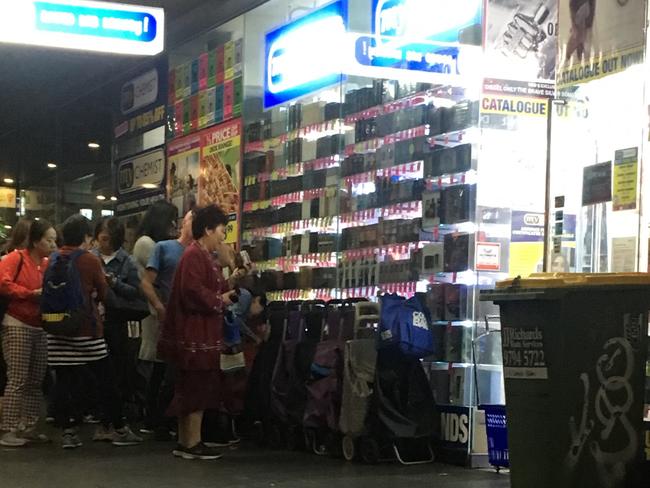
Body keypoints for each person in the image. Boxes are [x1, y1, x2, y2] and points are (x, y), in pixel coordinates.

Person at [46, 214, 142, 449]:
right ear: (86, 237)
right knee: (107, 380)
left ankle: (69, 432)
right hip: (86, 332)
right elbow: (104, 293)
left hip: (56, 329)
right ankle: (119, 428)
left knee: (66, 383)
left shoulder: (54, 258)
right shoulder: (89, 260)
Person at [158, 205, 237, 460]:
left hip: (199, 333)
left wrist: (232, 277)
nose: (222, 237)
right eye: (221, 231)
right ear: (208, 229)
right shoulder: (195, 255)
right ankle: (192, 442)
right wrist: (220, 300)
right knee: (197, 388)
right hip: (195, 334)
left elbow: (214, 288)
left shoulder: (203, 256)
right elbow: (192, 292)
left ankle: (187, 441)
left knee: (191, 388)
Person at [0, 220, 56, 446]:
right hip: (17, 324)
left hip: (39, 325)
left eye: (55, 240)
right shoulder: (16, 258)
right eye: (48, 240)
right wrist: (29, 294)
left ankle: (29, 426)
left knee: (36, 379)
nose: (53, 244)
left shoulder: (46, 264)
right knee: (18, 379)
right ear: (35, 241)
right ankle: (9, 429)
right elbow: (3, 284)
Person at [139, 210, 193, 438]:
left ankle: (169, 420)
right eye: (189, 218)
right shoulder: (163, 247)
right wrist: (159, 307)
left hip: (189, 322)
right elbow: (147, 282)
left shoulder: (200, 253)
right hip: (168, 320)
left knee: (175, 371)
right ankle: (156, 419)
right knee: (163, 369)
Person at [92, 217, 146, 418]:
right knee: (94, 364)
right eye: (101, 238)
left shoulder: (127, 261)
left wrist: (114, 282)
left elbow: (136, 293)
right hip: (93, 319)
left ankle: (116, 408)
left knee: (118, 364)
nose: (103, 243)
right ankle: (96, 407)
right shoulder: (90, 258)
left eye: (107, 239)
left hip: (117, 319)